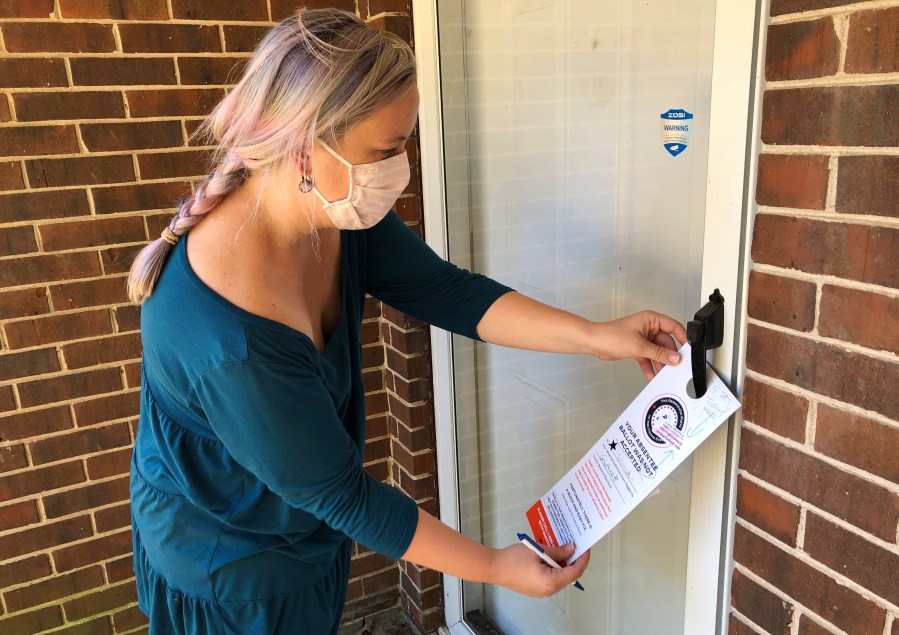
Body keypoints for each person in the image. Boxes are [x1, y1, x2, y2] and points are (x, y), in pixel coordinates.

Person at [126, 8, 686, 634]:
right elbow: (347, 497)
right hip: (231, 575)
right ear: (305, 147)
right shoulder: (229, 335)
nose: (398, 169)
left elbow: (447, 292)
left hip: (306, 539)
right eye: (385, 150)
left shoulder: (335, 215)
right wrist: (497, 568)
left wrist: (597, 337)